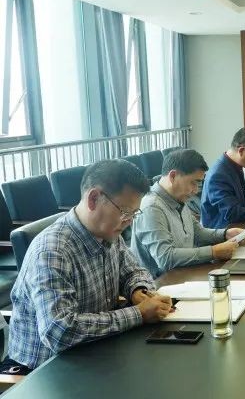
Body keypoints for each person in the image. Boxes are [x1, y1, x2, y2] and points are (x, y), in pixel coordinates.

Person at [4, 160, 173, 373]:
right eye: (125, 212)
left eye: (133, 214)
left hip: (94, 352)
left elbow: (133, 271)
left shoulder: (109, 233)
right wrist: (138, 313)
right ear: (93, 198)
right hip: (43, 369)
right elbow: (60, 331)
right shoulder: (52, 251)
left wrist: (139, 291)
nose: (129, 221)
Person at [132, 149, 245, 278]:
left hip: (184, 274)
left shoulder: (178, 197)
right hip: (161, 283)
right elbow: (165, 258)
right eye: (193, 182)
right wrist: (214, 252)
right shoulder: (151, 207)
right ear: (173, 176)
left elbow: (197, 233)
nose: (196, 190)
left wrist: (226, 234)